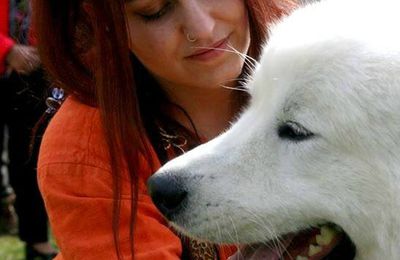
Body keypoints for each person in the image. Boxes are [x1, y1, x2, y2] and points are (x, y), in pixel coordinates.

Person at [33, 0, 295, 259]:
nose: (202, 28)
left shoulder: (317, 56)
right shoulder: (84, 149)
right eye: (154, 11)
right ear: (100, 22)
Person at [0, 0, 58, 259]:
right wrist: (6, 49)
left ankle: (35, 239)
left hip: (32, 70)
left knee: (30, 157)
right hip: (10, 58)